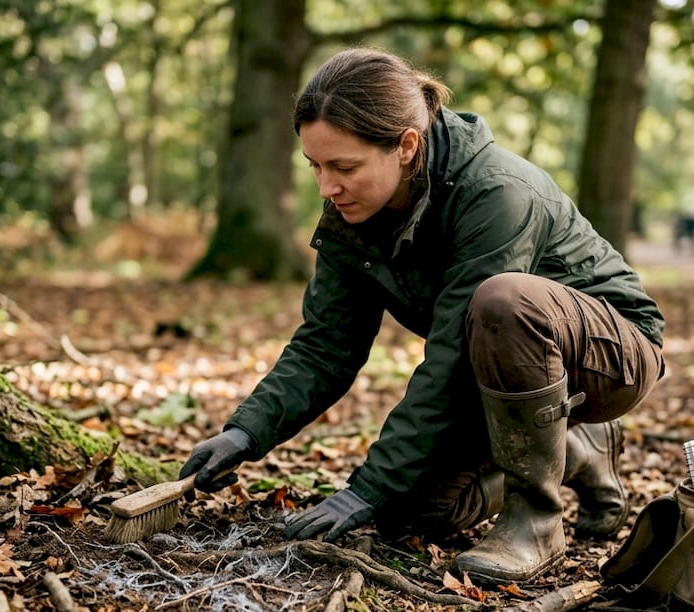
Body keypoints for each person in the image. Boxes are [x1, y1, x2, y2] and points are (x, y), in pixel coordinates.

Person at [178, 47, 665, 584]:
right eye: (315, 166)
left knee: (503, 300)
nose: (326, 187)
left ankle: (536, 523)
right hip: (503, 370)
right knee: (410, 513)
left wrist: (366, 487)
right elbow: (326, 344)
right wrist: (246, 433)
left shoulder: (496, 193)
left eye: (344, 167)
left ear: (406, 146)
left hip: (610, 356)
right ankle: (571, 450)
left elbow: (452, 359)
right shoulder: (354, 208)